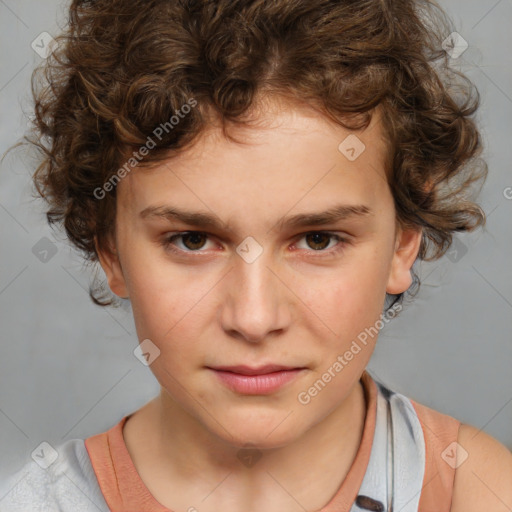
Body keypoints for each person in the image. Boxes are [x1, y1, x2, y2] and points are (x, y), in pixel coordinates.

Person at [1, 0, 511, 511]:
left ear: (404, 240)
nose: (254, 318)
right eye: (192, 240)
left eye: (318, 239)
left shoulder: (481, 493)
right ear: (109, 248)